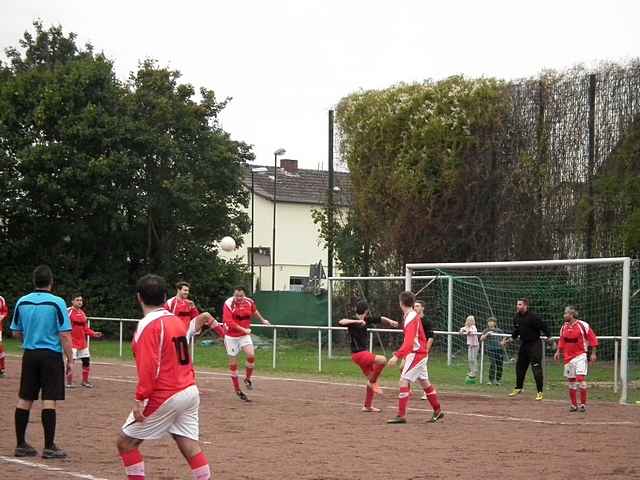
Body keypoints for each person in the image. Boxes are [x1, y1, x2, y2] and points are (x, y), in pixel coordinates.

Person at [117, 274, 214, 480]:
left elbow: (148, 367)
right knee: (188, 444)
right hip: (189, 390)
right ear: (165, 297)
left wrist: (140, 399)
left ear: (139, 298)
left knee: (126, 443)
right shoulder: (176, 321)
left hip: (166, 393)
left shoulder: (147, 325)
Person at [10, 265, 73, 459]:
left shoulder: (22, 301)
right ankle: (49, 446)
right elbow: (64, 334)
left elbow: (15, 331)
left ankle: (21, 444)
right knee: (49, 399)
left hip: (29, 354)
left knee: (25, 398)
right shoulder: (57, 303)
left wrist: (27, 342)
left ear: (34, 281)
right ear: (51, 282)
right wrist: (71, 359)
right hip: (50, 355)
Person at [386, 291, 444, 424]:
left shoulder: (411, 317)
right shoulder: (409, 315)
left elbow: (409, 342)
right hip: (419, 353)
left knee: (403, 381)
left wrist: (397, 356)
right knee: (424, 383)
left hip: (417, 354)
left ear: (401, 303)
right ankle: (437, 410)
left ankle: (401, 415)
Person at [338, 300, 398, 412]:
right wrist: (357, 322)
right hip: (358, 354)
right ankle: (374, 382)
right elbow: (341, 321)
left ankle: (367, 406)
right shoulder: (353, 320)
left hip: (362, 354)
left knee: (370, 379)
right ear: (366, 311)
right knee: (382, 360)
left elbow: (380, 318)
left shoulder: (366, 319)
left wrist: (391, 321)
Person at [222, 286, 271, 401]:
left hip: (244, 335)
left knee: (251, 355)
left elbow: (254, 311)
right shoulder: (228, 303)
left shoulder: (249, 302)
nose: (238, 298)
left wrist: (263, 320)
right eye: (236, 295)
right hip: (231, 336)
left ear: (244, 295)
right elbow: (229, 321)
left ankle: (247, 379)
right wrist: (244, 330)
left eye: (241, 296)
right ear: (233, 294)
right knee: (233, 364)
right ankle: (237, 389)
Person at [502, 298, 552, 400]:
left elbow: (544, 327)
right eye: (517, 304)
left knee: (536, 368)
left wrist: (549, 338)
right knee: (519, 367)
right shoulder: (516, 317)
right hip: (524, 344)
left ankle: (539, 392)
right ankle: (518, 388)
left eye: (520, 304)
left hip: (535, 344)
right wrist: (509, 340)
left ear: (525, 306)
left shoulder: (533, 317)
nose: (518, 306)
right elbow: (516, 332)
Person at [554, 306, 598, 412]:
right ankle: (574, 405)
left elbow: (593, 338)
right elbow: (562, 340)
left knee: (580, 379)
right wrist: (558, 352)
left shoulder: (583, 325)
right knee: (571, 381)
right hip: (568, 358)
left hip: (580, 356)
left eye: (566, 313)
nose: (564, 315)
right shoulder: (564, 327)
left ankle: (583, 404)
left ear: (572, 315)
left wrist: (593, 353)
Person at [66, 294, 103, 388]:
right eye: (77, 300)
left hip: (82, 343)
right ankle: (69, 383)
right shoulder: (68, 312)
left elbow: (85, 328)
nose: (80, 302)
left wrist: (94, 333)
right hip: (72, 342)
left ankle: (85, 381)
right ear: (72, 301)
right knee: (71, 361)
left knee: (86, 361)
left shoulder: (82, 313)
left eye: (81, 300)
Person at [414, 300, 436, 401]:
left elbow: (430, 337)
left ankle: (427, 392)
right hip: (413, 350)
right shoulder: (413, 319)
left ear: (423, 308)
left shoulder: (427, 321)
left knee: (422, 372)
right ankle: (407, 389)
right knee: (402, 367)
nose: (415, 308)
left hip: (422, 350)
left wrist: (426, 349)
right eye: (414, 306)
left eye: (418, 306)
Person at [480, 317, 505, 385]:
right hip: (490, 349)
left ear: (495, 323)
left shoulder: (499, 330)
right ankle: (491, 380)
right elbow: (481, 338)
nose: (490, 323)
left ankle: (498, 380)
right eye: (489, 322)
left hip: (499, 349)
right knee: (493, 364)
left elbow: (504, 337)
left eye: (492, 321)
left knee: (499, 365)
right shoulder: (486, 330)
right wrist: (487, 334)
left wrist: (503, 341)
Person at [459, 315, 479, 383]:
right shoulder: (467, 327)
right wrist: (461, 330)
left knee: (473, 358)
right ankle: (471, 370)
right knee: (469, 359)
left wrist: (466, 330)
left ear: (473, 321)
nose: (469, 322)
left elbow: (470, 331)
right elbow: (462, 329)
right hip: (470, 345)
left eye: (471, 320)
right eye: (468, 320)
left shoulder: (473, 327)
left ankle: (474, 371)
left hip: (475, 345)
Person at [0, 293, 8, 377]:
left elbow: (4, 311)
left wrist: (1, 317)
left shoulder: (1, 299)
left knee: (0, 347)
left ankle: (1, 369)